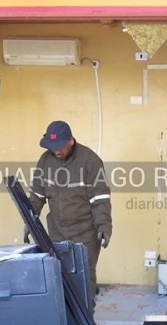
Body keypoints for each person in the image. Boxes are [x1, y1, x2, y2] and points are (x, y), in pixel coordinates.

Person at [29, 120, 112, 308]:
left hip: (86, 233)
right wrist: (30, 220)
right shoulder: (45, 160)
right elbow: (37, 195)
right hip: (57, 231)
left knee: (84, 277)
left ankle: (87, 321)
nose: (57, 151)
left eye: (60, 146)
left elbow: (100, 198)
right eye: (52, 147)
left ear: (71, 141)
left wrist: (104, 226)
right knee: (60, 277)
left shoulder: (89, 160)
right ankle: (66, 321)